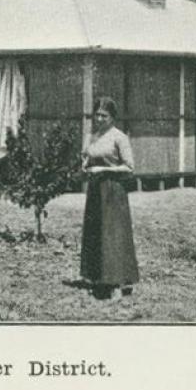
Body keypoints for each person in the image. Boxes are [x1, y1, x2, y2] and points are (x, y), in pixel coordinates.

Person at [80, 96, 139, 300]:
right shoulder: (93, 136)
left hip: (113, 191)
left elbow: (129, 167)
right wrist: (85, 164)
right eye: (96, 114)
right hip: (95, 190)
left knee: (113, 236)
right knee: (96, 233)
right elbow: (87, 156)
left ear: (112, 117)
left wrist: (103, 169)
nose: (99, 118)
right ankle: (98, 278)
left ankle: (117, 282)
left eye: (104, 115)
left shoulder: (119, 137)